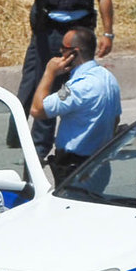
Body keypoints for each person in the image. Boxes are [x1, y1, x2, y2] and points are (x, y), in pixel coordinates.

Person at [15, 0, 115, 161]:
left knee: (81, 88)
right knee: (47, 87)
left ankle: (82, 149)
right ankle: (38, 152)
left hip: (81, 33)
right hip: (52, 34)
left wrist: (108, 33)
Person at [30, 27, 121, 183]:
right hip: (100, 164)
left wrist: (49, 73)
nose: (60, 51)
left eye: (63, 49)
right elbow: (116, 119)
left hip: (76, 170)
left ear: (74, 53)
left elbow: (37, 109)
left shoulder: (77, 88)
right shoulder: (108, 78)